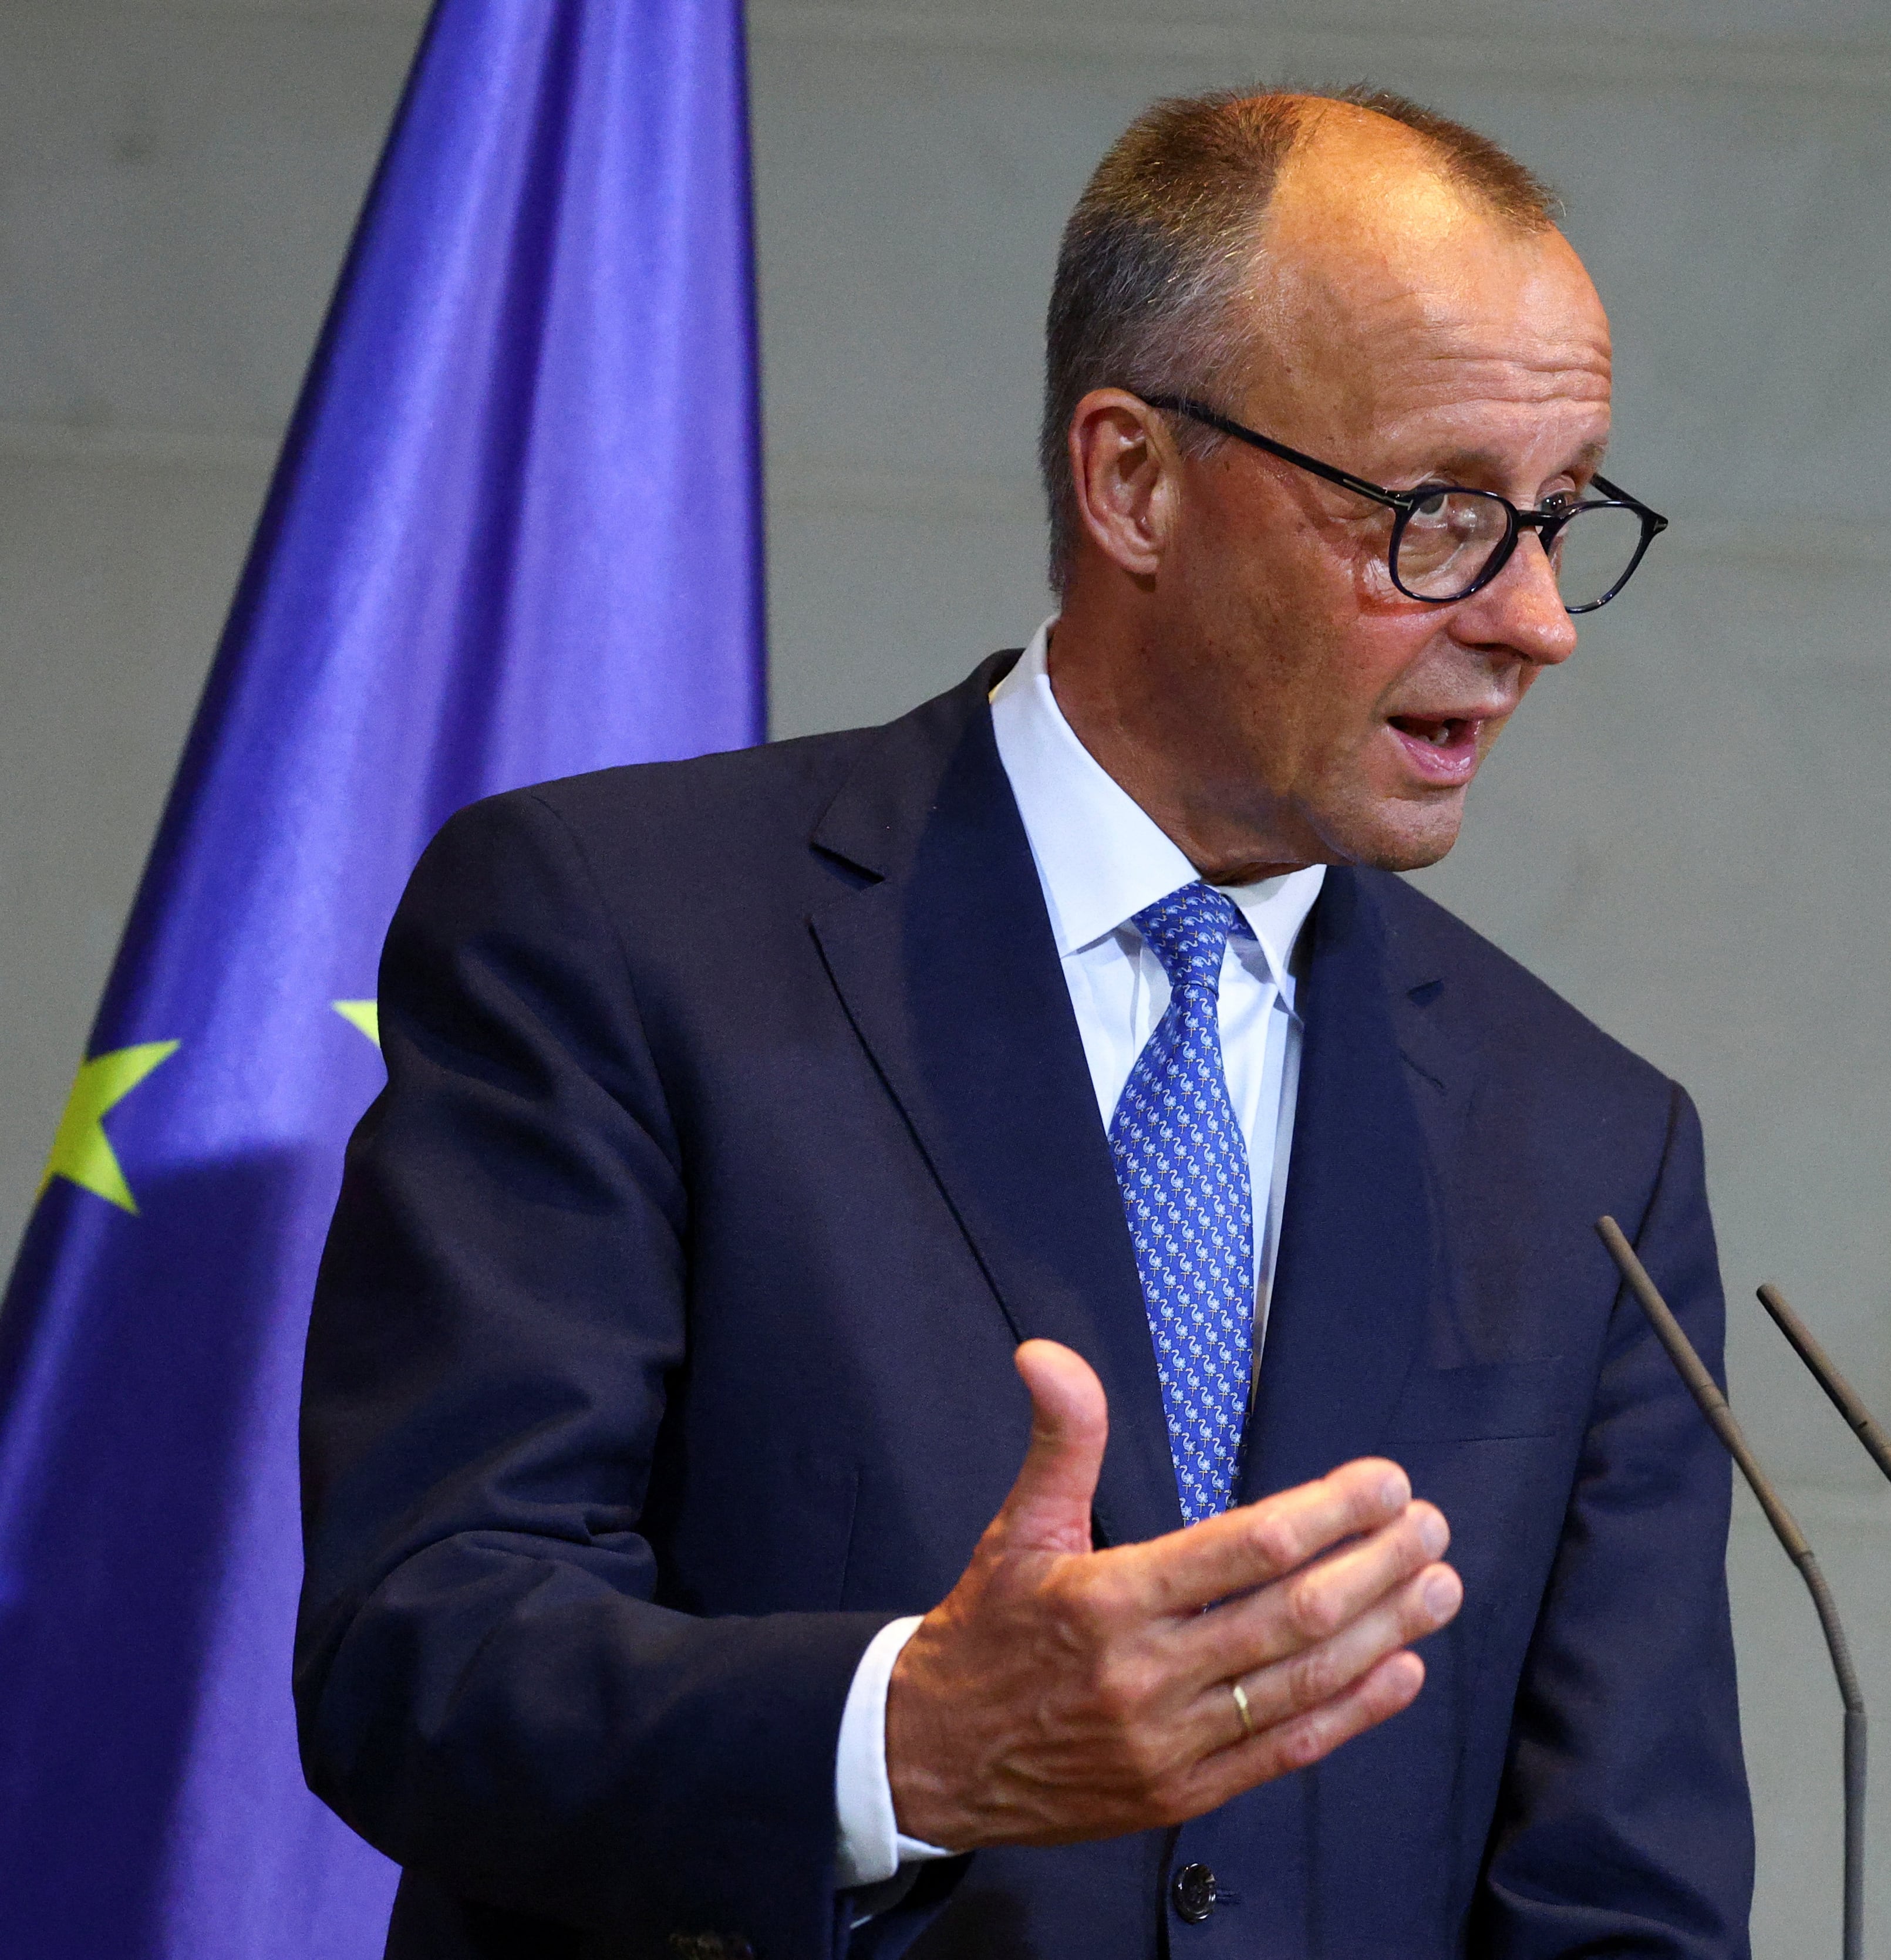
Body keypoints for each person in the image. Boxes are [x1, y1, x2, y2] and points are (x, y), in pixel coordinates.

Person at [295, 85, 1750, 1960]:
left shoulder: (1591, 1148)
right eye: (1440, 515)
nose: (1537, 620)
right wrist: (909, 1740)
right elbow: (422, 1649)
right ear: (1135, 482)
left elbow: (1619, 1903)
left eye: (1556, 517)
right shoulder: (617, 933)